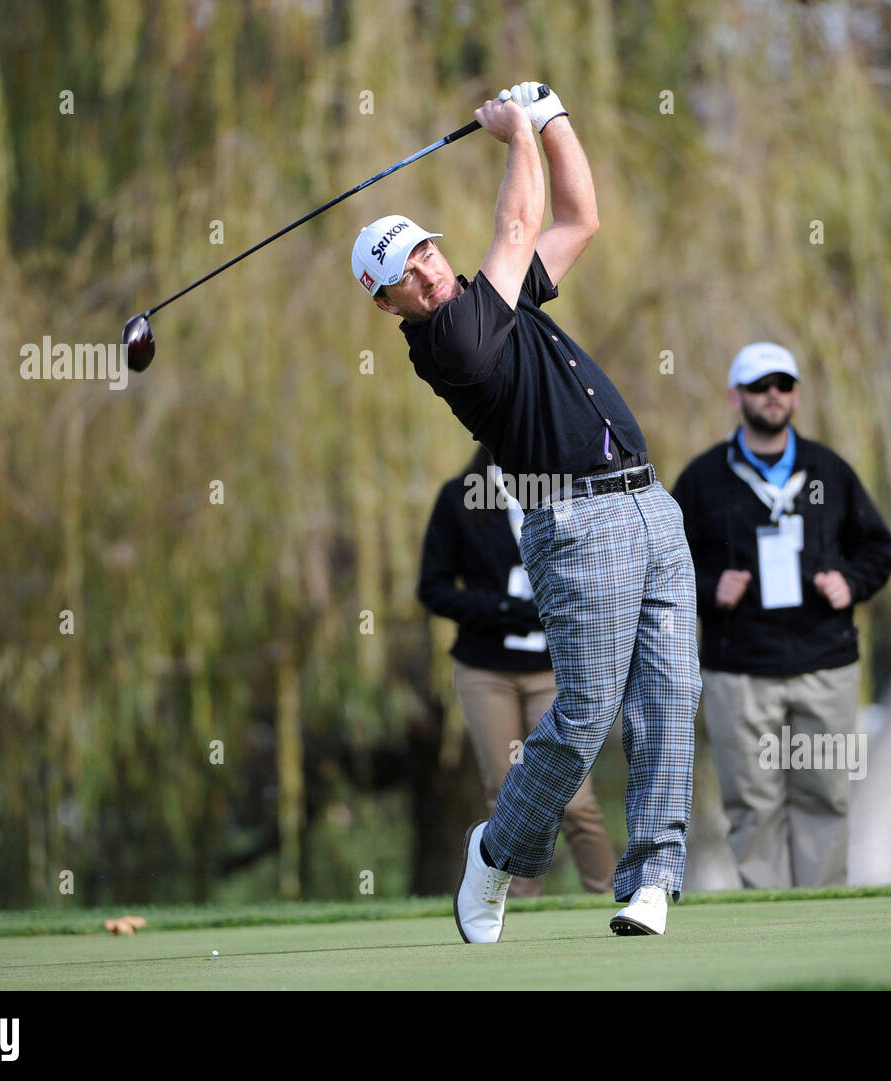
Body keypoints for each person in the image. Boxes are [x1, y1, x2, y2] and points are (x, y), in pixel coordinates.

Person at [351, 81, 700, 941]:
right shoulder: (452, 340)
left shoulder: (496, 303)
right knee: (583, 716)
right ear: (386, 301)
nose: (429, 269)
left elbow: (579, 217)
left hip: (651, 504)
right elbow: (516, 226)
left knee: (671, 694)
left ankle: (653, 876)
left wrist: (555, 118)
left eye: (427, 252)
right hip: (578, 522)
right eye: (407, 273)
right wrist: (516, 132)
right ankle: (498, 853)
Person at [672, 343, 891, 888]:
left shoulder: (829, 471)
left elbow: (879, 549)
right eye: (759, 385)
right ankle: (767, 926)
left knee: (825, 795)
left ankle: (821, 925)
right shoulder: (703, 479)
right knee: (752, 803)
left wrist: (852, 583)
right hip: (739, 671)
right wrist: (708, 588)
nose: (773, 395)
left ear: (796, 395)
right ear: (736, 397)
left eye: (783, 384)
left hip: (826, 665)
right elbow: (666, 565)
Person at [417, 447, 616, 897]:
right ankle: (518, 903)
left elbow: (597, 575)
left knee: (575, 798)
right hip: (486, 671)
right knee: (505, 790)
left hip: (555, 669)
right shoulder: (460, 499)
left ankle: (611, 895)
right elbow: (434, 589)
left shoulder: (569, 493)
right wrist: (507, 609)